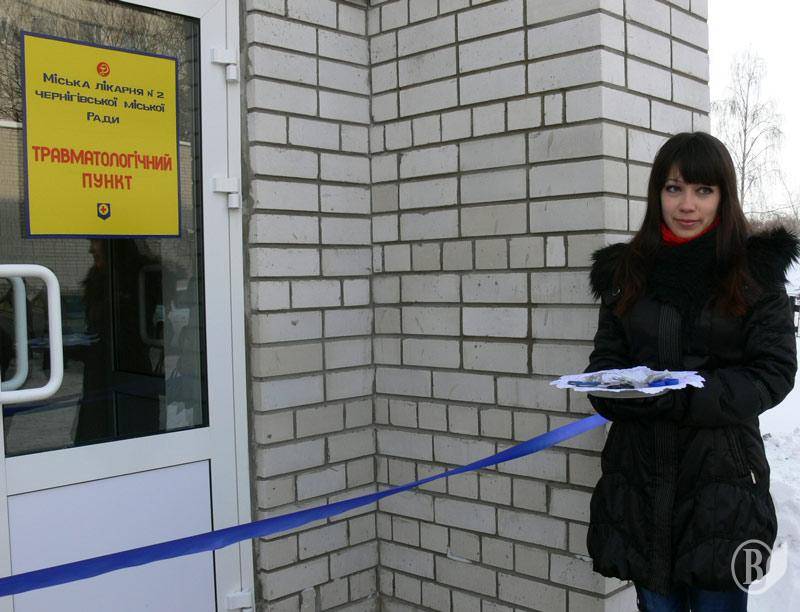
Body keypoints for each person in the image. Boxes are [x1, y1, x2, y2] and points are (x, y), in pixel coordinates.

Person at [584, 131, 799, 611]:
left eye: (703, 190)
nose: (687, 204)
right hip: (641, 486)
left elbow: (774, 371)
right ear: (657, 193)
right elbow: (604, 365)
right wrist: (617, 390)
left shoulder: (753, 271)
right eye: (674, 188)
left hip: (722, 487)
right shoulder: (626, 274)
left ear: (724, 196)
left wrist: (684, 397)